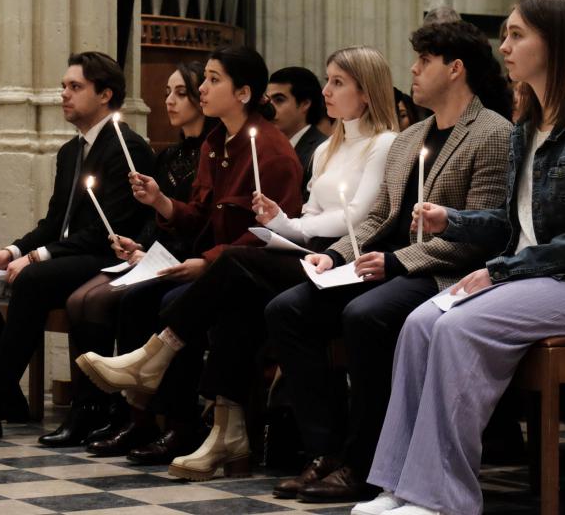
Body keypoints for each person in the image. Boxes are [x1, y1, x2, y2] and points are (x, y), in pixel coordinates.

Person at [354, 0, 565, 515]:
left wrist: (499, 270)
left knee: (459, 328)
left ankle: (444, 496)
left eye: (517, 34)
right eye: (505, 34)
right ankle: (398, 483)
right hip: (534, 279)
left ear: (555, 45)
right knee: (418, 324)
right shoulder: (529, 127)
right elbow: (516, 224)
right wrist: (453, 219)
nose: (503, 46)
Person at [78, 46, 399, 480]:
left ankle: (156, 356)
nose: (325, 90)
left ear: (366, 92)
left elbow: (358, 216)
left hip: (343, 256)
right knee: (236, 302)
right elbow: (297, 217)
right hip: (304, 250)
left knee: (230, 265)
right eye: (327, 79)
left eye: (337, 82)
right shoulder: (325, 150)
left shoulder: (385, 144)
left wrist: (288, 226)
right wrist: (279, 221)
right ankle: (225, 433)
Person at [265, 21, 513, 504]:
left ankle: (367, 464)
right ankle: (327, 451)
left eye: (424, 61)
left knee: (367, 315)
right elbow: (380, 215)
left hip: (442, 272)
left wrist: (396, 262)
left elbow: (483, 234)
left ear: (456, 69)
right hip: (386, 261)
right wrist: (334, 254)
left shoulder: (492, 134)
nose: (414, 71)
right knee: (287, 309)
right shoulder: (410, 137)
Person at [76, 45, 303, 465]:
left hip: (255, 275)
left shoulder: (271, 151)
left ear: (244, 93)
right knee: (141, 294)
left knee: (175, 302)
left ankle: (178, 414)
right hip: (220, 268)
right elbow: (200, 216)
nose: (205, 88)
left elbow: (273, 236)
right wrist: (161, 201)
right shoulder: (216, 144)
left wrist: (209, 261)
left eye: (215, 80)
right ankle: (147, 415)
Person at [0, 51, 155, 443]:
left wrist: (35, 258)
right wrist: (10, 250)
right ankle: (6, 398)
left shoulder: (128, 147)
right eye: (63, 87)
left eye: (75, 87)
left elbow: (111, 231)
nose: (64, 95)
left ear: (105, 94)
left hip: (111, 259)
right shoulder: (70, 151)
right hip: (73, 254)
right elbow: (54, 224)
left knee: (33, 279)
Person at [38, 61, 217, 448]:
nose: (169, 100)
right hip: (157, 255)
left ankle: (141, 412)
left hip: (191, 258)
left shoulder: (212, 151)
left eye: (181, 92)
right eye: (167, 91)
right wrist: (139, 246)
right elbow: (156, 216)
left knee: (117, 298)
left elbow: (202, 219)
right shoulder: (169, 156)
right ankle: (103, 409)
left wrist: (154, 249)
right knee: (82, 300)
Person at [267, 67, 328, 199]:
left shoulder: (322, 149)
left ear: (305, 104)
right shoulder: (268, 146)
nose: (269, 108)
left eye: (279, 100)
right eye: (268, 101)